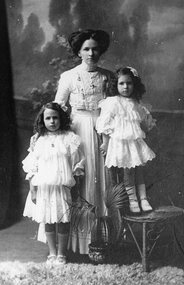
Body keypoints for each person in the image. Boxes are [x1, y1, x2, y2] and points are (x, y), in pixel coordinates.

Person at [54, 29, 116, 254]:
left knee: (101, 182)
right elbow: (58, 107)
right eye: (86, 49)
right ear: (78, 52)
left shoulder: (108, 76)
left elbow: (115, 107)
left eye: (95, 48)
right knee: (80, 179)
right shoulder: (69, 77)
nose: (91, 53)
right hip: (77, 131)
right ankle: (74, 244)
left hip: (102, 130)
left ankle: (101, 240)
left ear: (101, 50)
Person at [22, 102, 85, 265]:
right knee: (48, 220)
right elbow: (32, 167)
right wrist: (33, 190)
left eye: (55, 118)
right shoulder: (38, 140)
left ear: (61, 119)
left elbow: (76, 163)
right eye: (48, 118)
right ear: (42, 120)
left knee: (63, 220)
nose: (52, 121)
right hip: (44, 187)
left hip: (62, 187)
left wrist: (74, 186)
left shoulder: (69, 138)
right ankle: (52, 252)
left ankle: (62, 253)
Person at [96, 67, 156, 214]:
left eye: (129, 83)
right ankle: (133, 200)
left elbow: (142, 121)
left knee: (139, 170)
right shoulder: (112, 102)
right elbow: (104, 124)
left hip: (134, 143)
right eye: (121, 83)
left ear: (134, 85)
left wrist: (145, 125)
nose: (125, 87)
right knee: (128, 171)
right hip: (120, 143)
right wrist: (105, 142)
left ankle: (143, 198)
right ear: (115, 85)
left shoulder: (135, 103)